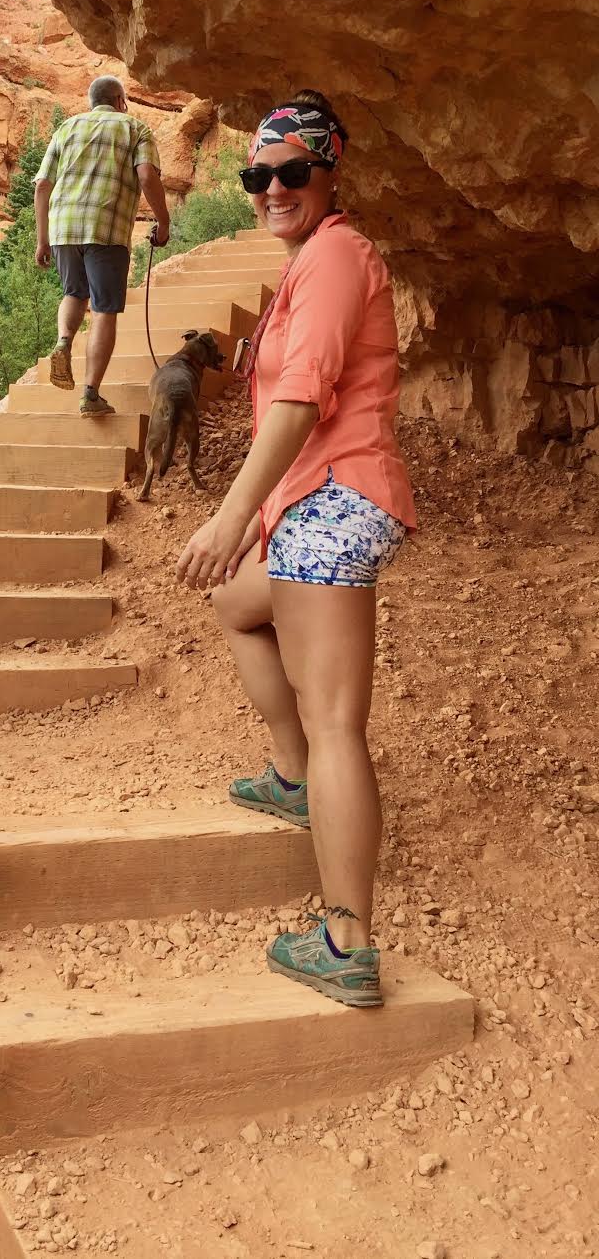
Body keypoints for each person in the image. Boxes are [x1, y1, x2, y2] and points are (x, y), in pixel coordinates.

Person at [176, 90, 417, 1008]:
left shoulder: (338, 257)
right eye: (257, 175)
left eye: (292, 172)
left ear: (329, 171)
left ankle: (347, 940)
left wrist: (232, 517)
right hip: (311, 501)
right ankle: (290, 777)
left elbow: (304, 400)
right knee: (237, 604)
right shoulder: (309, 263)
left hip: (338, 498)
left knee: (338, 725)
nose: (272, 187)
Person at [33, 75, 171, 416]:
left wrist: (42, 239)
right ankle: (90, 395)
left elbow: (41, 186)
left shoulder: (66, 129)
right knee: (104, 310)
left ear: (92, 101)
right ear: (121, 100)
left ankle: (64, 341)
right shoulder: (134, 128)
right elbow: (146, 176)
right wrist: (163, 221)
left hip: (64, 227)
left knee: (73, 293)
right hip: (106, 228)